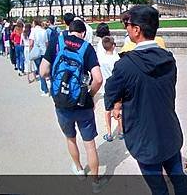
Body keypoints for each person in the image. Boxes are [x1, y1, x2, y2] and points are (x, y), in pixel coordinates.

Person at [104, 5, 187, 195]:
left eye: (127, 24)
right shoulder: (169, 59)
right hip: (169, 132)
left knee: (159, 189)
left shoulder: (125, 65)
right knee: (179, 180)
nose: (125, 28)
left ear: (136, 30)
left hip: (144, 138)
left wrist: (118, 103)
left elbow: (109, 96)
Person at [39, 19, 108, 193]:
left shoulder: (57, 42)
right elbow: (98, 79)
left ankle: (78, 169)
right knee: (90, 144)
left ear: (69, 31)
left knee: (70, 138)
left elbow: (43, 71)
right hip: (82, 104)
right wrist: (89, 96)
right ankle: (95, 182)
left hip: (62, 103)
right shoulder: (86, 48)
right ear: (83, 33)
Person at [97, 36, 122, 142]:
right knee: (119, 109)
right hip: (117, 88)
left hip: (106, 88)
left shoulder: (101, 59)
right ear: (113, 46)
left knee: (107, 110)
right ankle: (121, 131)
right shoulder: (117, 59)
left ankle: (109, 132)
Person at [29, 18, 49, 96]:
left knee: (40, 70)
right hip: (44, 51)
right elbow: (47, 43)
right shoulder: (44, 31)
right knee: (44, 69)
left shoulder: (33, 31)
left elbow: (31, 43)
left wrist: (30, 52)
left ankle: (44, 89)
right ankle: (46, 84)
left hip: (37, 51)